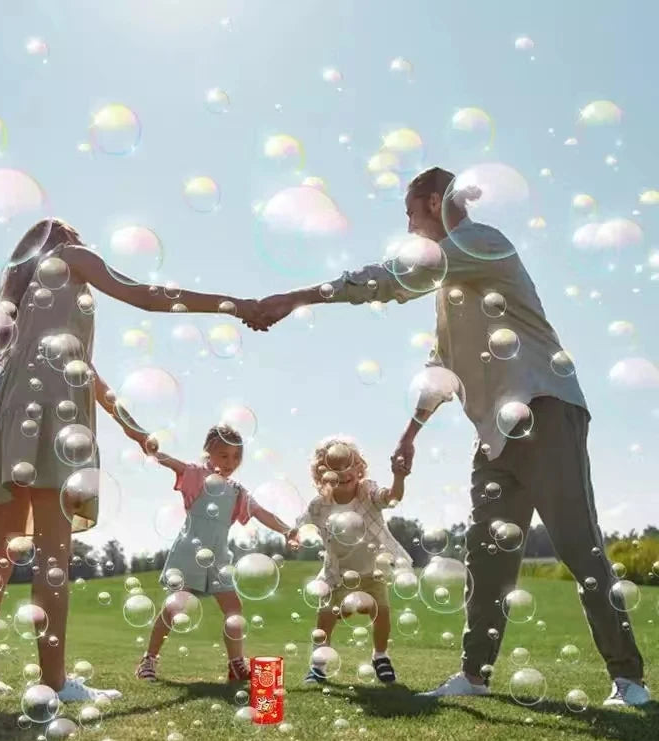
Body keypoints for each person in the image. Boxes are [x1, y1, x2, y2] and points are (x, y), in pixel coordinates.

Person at [245, 167, 649, 707]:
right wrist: (411, 432)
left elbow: (388, 278)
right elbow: (442, 367)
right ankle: (475, 676)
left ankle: (628, 681)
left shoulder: (481, 243)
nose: (410, 228)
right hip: (496, 435)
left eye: (411, 215)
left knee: (579, 546)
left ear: (435, 203)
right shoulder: (452, 289)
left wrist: (293, 298)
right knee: (485, 557)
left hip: (545, 411)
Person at [0, 218, 258, 701]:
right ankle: (55, 683)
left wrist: (133, 429)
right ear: (62, 241)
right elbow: (144, 294)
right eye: (75, 235)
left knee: (4, 546)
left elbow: (86, 370)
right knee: (53, 551)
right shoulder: (71, 257)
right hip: (53, 411)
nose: (82, 243)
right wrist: (231, 304)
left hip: (11, 407)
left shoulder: (29, 295)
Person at [123, 422, 300, 682]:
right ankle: (149, 660)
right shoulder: (197, 475)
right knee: (175, 607)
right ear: (208, 452)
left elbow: (262, 513)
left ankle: (236, 664)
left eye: (236, 457)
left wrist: (287, 531)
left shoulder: (237, 491)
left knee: (234, 608)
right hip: (188, 552)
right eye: (224, 455)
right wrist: (150, 448)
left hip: (218, 558)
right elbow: (173, 464)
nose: (230, 462)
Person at [294, 437, 411, 686]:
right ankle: (318, 664)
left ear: (359, 467)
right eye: (335, 468)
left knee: (382, 613)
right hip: (338, 573)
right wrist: (294, 536)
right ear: (322, 474)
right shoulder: (320, 504)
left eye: (348, 465)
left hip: (373, 571)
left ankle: (380, 656)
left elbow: (391, 497)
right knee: (326, 616)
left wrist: (398, 478)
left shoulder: (367, 492)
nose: (343, 472)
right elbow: (302, 525)